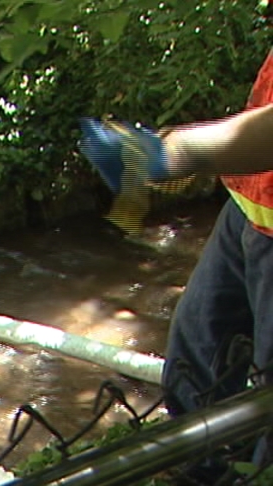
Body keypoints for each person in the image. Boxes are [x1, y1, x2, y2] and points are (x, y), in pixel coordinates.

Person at [80, 48, 273, 483]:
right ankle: (201, 472)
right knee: (197, 352)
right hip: (249, 211)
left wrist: (168, 154)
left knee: (269, 399)